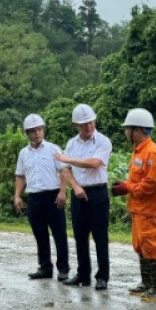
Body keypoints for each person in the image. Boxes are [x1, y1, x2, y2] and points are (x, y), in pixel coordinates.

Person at [111, 108, 156, 301]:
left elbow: (150, 184)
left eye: (128, 129)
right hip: (138, 209)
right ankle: (147, 283)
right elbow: (137, 180)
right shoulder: (138, 151)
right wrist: (126, 187)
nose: (126, 132)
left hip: (149, 210)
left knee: (151, 246)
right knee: (140, 246)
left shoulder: (152, 153)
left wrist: (127, 188)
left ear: (138, 130)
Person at [55, 104, 113, 290]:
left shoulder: (103, 141)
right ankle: (83, 274)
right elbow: (64, 170)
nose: (88, 126)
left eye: (91, 122)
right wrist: (75, 186)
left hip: (97, 192)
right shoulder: (72, 143)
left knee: (100, 236)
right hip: (78, 192)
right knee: (80, 236)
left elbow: (95, 163)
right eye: (84, 124)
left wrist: (68, 159)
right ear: (76, 126)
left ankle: (102, 276)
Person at [13, 114, 70, 281]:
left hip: (53, 195)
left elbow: (63, 171)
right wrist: (17, 195)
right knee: (40, 234)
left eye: (39, 129)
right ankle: (45, 267)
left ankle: (63, 269)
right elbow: (20, 176)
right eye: (33, 131)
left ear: (43, 130)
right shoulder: (24, 153)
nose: (37, 133)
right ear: (27, 133)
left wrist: (62, 192)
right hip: (34, 197)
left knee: (59, 234)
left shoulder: (53, 149)